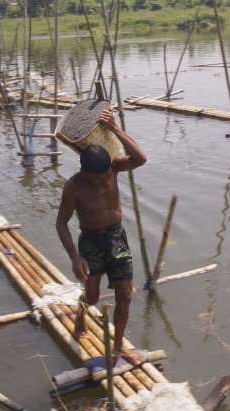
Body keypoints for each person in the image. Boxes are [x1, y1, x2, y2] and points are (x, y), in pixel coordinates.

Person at [55, 108, 147, 365]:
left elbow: (140, 159)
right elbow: (61, 223)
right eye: (95, 181)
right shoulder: (74, 186)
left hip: (117, 237)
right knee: (92, 297)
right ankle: (81, 315)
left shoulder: (115, 167)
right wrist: (74, 257)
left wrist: (115, 129)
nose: (102, 183)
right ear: (83, 173)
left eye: (105, 177)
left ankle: (118, 347)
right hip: (91, 241)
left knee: (125, 294)